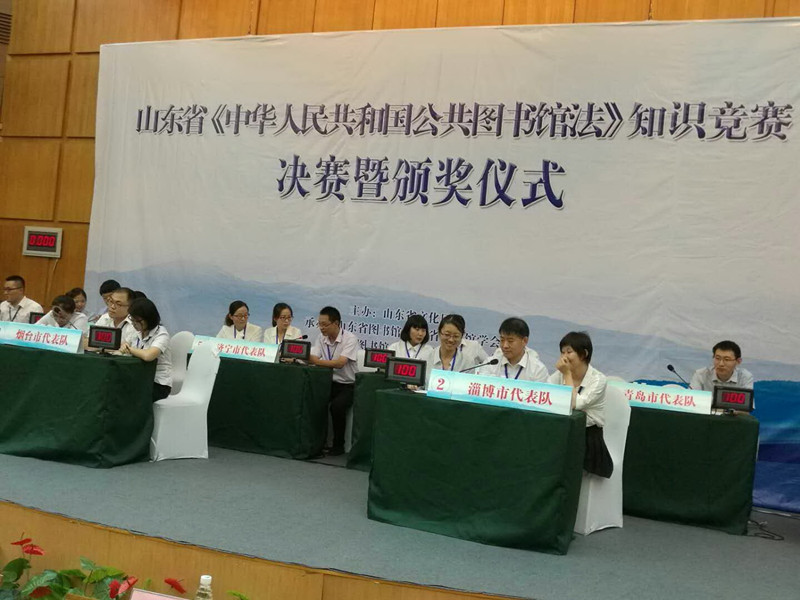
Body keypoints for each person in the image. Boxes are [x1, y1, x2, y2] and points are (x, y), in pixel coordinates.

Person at [547, 331, 612, 478]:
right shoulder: (558, 375)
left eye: (569, 352)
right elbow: (547, 395)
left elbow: (574, 404)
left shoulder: (598, 379)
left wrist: (567, 375)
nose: (564, 357)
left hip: (588, 438)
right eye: (562, 352)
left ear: (583, 354)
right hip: (563, 431)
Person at [309, 306, 360, 456]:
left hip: (348, 385)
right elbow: (313, 357)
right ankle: (317, 442)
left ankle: (338, 445)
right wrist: (313, 360)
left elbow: (340, 363)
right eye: (319, 324)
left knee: (337, 407)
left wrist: (317, 362)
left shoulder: (350, 338)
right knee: (314, 400)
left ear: (336, 323)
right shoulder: (321, 338)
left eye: (325, 324)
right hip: (328, 382)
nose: (321, 328)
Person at [120, 298, 172, 402]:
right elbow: (124, 344)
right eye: (132, 320)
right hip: (139, 378)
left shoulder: (162, 334)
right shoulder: (137, 331)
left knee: (130, 395)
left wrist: (129, 349)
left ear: (149, 318)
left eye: (137, 321)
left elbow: (149, 356)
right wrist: (124, 345)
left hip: (158, 383)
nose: (134, 324)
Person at [479, 318, 548, 382]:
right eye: (502, 340)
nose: (505, 346)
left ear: (524, 341)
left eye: (510, 341)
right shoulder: (490, 364)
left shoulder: (537, 370)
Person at [690, 341, 754, 391]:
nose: (721, 364)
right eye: (717, 358)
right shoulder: (700, 375)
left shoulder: (745, 377)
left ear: (738, 361)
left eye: (727, 359)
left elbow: (747, 403)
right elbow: (692, 401)